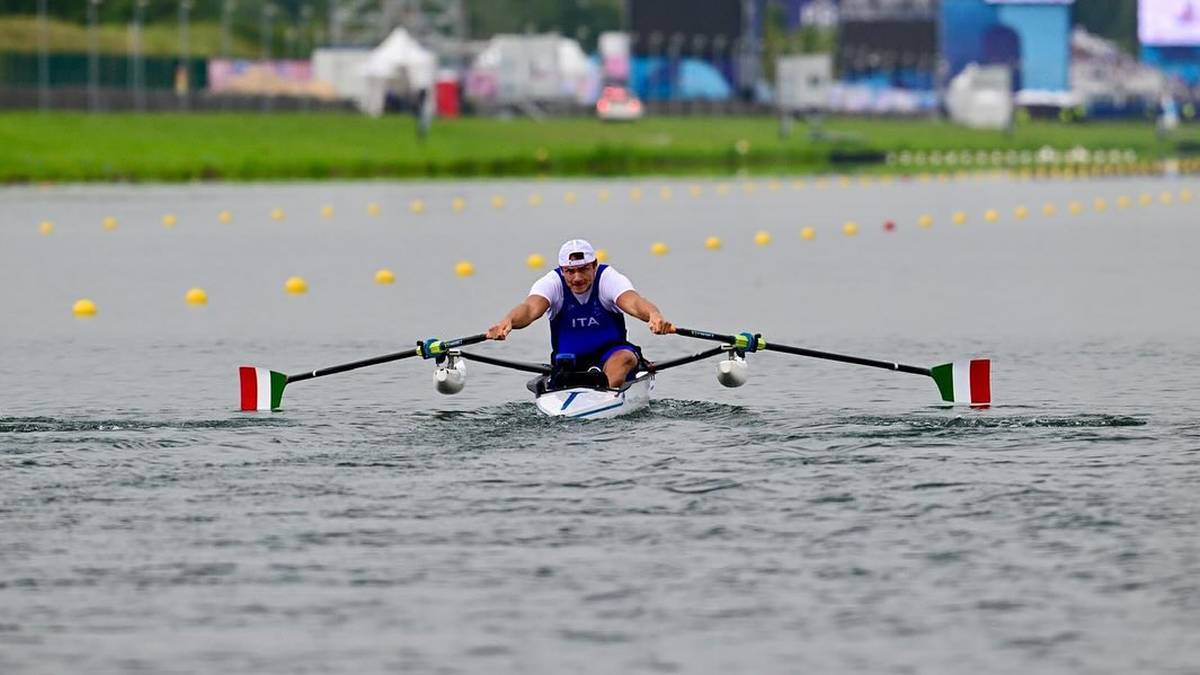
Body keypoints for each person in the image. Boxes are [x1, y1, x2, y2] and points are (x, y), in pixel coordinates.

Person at [487, 239, 673, 388]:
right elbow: (529, 309)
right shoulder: (552, 283)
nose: (577, 278)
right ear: (562, 270)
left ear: (594, 265)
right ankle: (591, 389)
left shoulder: (608, 279)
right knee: (565, 371)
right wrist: (508, 321)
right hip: (569, 360)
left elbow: (634, 302)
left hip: (612, 354)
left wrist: (653, 315)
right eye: (570, 271)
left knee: (624, 358)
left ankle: (606, 393)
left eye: (584, 269)